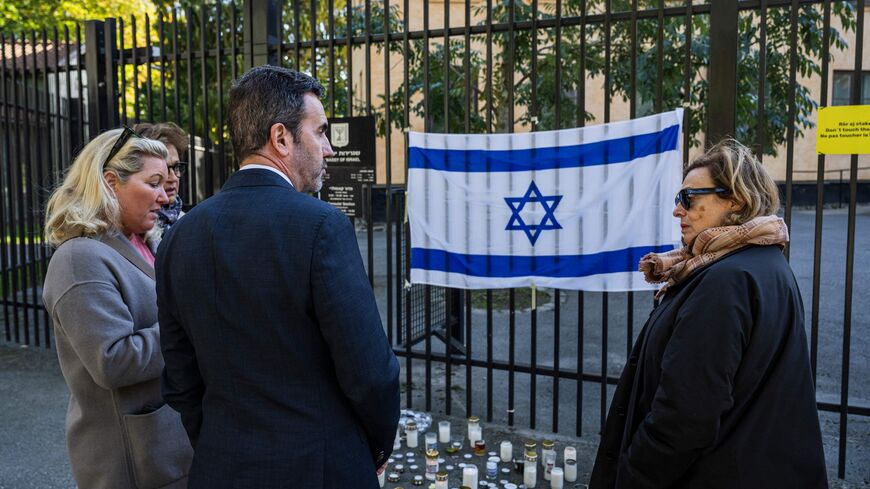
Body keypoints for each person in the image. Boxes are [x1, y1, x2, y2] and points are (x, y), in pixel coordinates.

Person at [156, 65, 400, 488]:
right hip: (320, 469)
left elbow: (181, 382)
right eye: (320, 132)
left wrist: (220, 443)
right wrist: (375, 448)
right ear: (281, 138)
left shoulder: (180, 236)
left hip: (220, 468)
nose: (328, 149)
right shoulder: (322, 227)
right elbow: (371, 374)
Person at [589, 140, 827, 489]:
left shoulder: (726, 280)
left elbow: (685, 417)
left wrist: (632, 475)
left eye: (689, 198)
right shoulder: (763, 264)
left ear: (736, 201)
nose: (677, 210)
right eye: (677, 199)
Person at [42, 127, 193, 489]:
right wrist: (192, 328)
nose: (164, 195)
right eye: (154, 182)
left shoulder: (138, 242)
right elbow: (112, 360)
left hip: (164, 447)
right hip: (131, 460)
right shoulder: (79, 258)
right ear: (110, 182)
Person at [133, 122, 188, 237]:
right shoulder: (133, 228)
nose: (173, 178)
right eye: (164, 169)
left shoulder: (188, 221)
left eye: (176, 167)